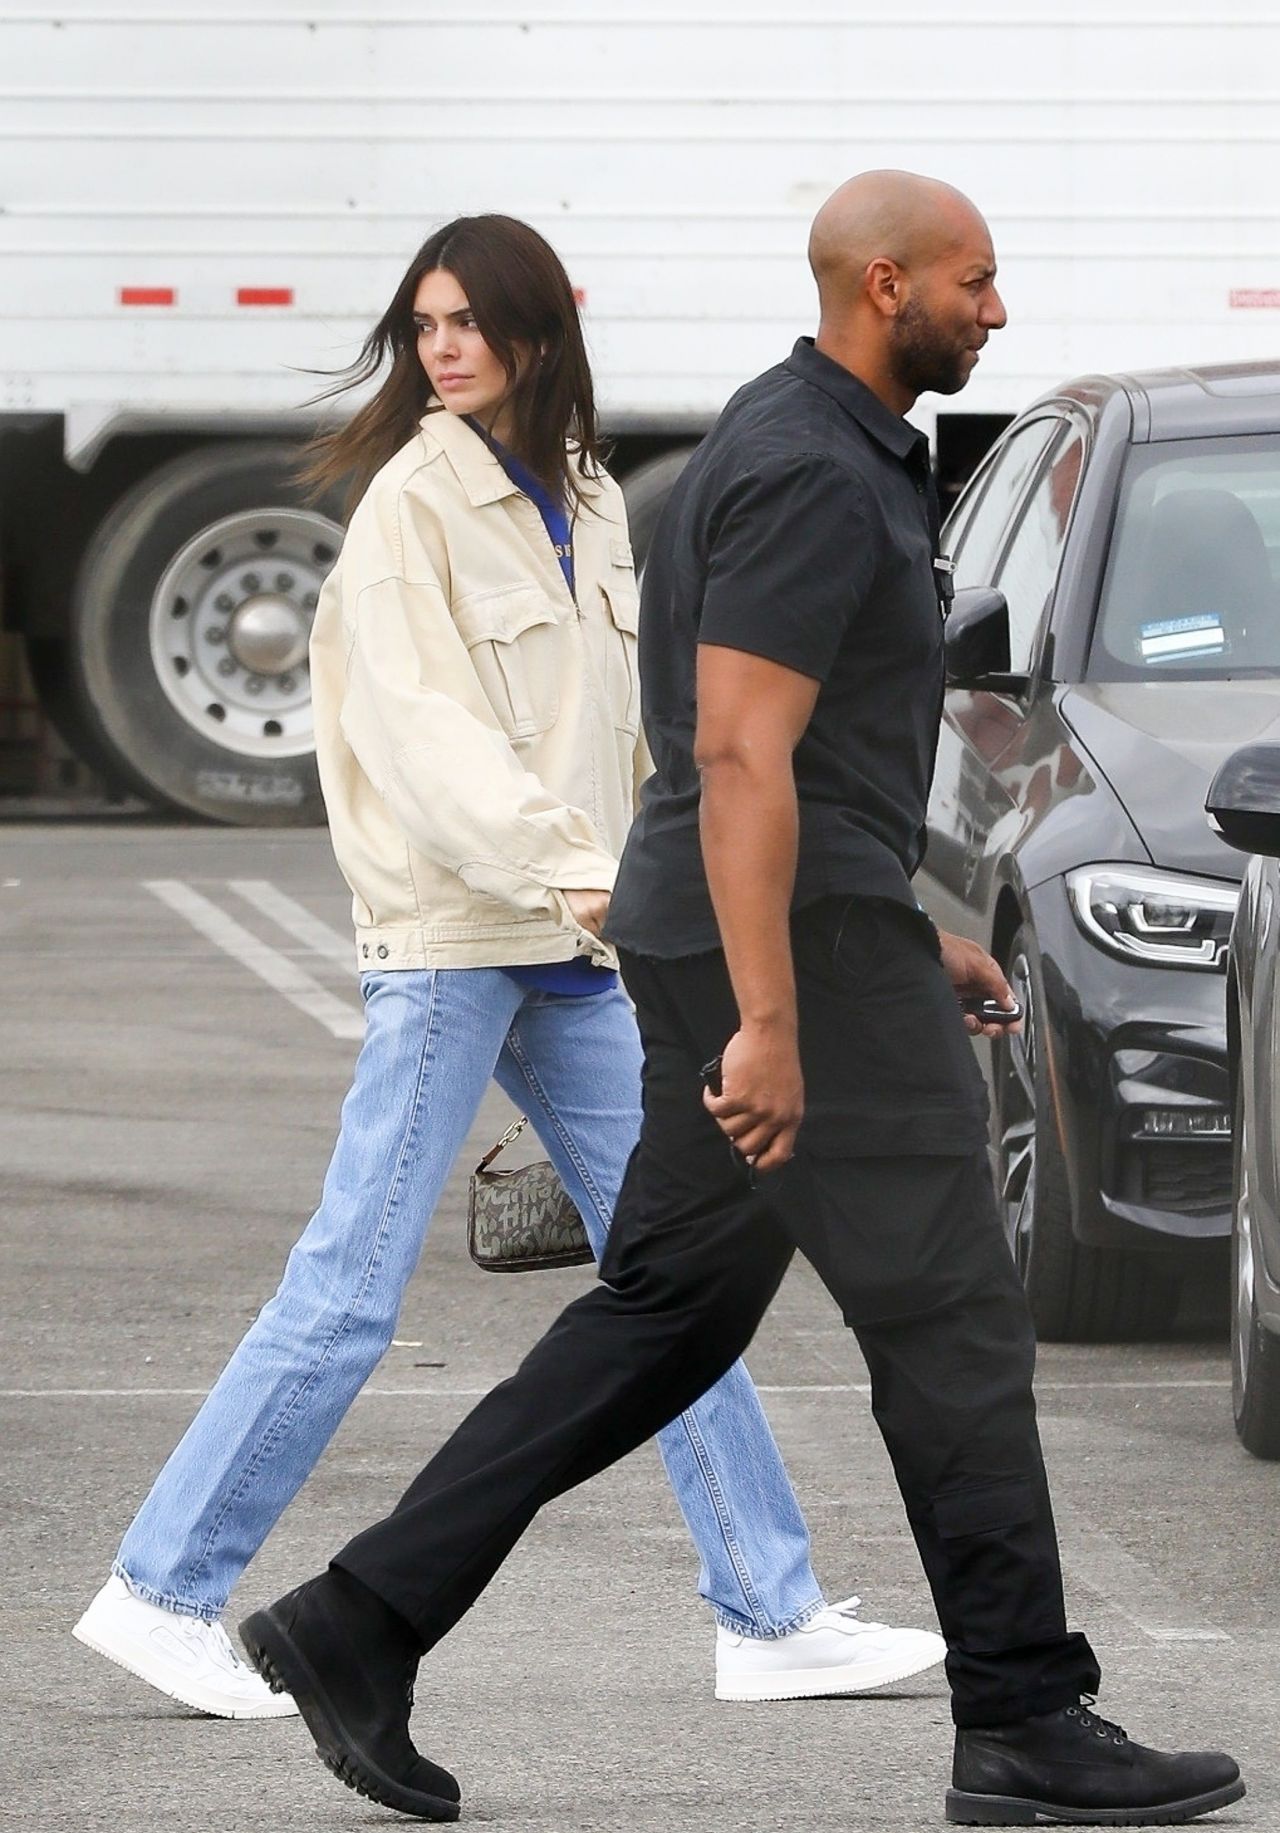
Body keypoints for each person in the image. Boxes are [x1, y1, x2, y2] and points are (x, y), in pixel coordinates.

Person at [238, 173, 1246, 1830]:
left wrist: (915, 931)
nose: (996, 312)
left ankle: (357, 1623)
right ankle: (1023, 1716)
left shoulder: (801, 443)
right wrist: (778, 1019)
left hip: (784, 935)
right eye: (974, 283)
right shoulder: (804, 474)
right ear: (881, 281)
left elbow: (810, 765)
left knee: (663, 1317)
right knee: (955, 1322)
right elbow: (734, 756)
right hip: (785, 965)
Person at [72, 213, 945, 1723]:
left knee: (678, 1277)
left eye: (470, 322)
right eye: (425, 327)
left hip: (574, 938)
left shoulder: (592, 497)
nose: (444, 349)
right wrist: (587, 873)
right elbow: (427, 742)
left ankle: (768, 1608)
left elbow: (631, 721)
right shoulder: (412, 506)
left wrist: (648, 874)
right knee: (349, 1285)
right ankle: (163, 1588)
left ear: (541, 333)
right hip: (462, 938)